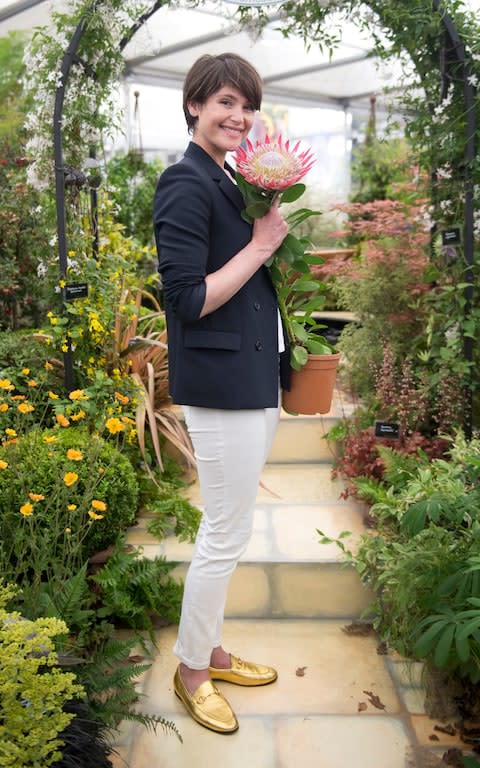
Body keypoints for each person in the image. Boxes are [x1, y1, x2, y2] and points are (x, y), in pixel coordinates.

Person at [153, 52, 290, 734]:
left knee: (228, 534)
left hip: (251, 381)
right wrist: (262, 244)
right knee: (223, 535)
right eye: (224, 103)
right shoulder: (185, 182)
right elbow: (186, 299)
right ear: (194, 107)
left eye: (247, 105)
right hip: (221, 388)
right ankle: (191, 671)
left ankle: (210, 649)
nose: (238, 116)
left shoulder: (228, 179)